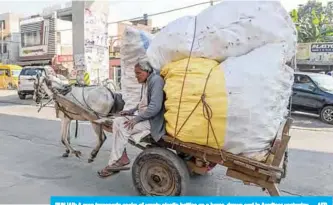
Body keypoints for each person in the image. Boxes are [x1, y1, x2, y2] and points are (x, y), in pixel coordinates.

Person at [97, 59, 166, 178]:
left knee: (124, 126)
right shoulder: (148, 82)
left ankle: (114, 162)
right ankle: (121, 158)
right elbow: (143, 103)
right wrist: (130, 111)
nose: (136, 76)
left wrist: (136, 119)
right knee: (117, 122)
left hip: (153, 121)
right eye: (135, 73)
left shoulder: (156, 81)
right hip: (145, 117)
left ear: (147, 71)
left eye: (138, 73)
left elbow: (155, 107)